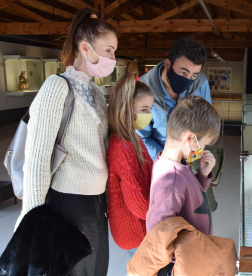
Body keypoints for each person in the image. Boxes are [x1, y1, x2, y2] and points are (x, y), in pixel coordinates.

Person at [15, 7, 118, 275]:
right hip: (67, 203)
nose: (113, 58)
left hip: (96, 202)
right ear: (86, 48)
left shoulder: (96, 92)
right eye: (108, 50)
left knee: (96, 269)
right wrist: (31, 221)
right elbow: (37, 158)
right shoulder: (56, 86)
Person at [146, 96, 221, 275]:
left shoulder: (175, 164)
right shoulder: (171, 181)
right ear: (189, 138)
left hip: (192, 256)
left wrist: (202, 176)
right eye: (203, 144)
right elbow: (158, 235)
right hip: (182, 266)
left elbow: (190, 197)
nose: (202, 150)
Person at [138, 38, 211, 160]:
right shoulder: (143, 88)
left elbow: (205, 126)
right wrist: (168, 160)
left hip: (191, 157)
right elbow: (141, 137)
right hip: (158, 159)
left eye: (193, 75)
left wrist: (195, 160)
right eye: (183, 72)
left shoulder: (200, 83)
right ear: (168, 65)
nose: (188, 79)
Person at [106, 72, 154, 258]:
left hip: (142, 228)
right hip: (136, 231)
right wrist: (166, 209)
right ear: (126, 109)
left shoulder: (132, 138)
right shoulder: (122, 146)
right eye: (144, 109)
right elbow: (139, 204)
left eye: (149, 109)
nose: (148, 115)